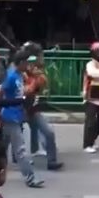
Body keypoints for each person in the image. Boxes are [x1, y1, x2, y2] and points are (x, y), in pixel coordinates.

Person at [0, 50, 44, 188]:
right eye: (27, 62)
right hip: (10, 117)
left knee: (1, 148)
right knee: (20, 149)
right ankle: (30, 178)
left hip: (16, 115)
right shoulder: (10, 77)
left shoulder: (20, 76)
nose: (28, 65)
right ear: (21, 62)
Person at [22, 43, 63, 171]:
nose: (42, 57)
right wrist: (33, 80)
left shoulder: (37, 71)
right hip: (18, 109)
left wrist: (38, 78)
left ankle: (51, 161)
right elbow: (24, 90)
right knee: (11, 137)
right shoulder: (19, 72)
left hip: (33, 109)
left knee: (48, 132)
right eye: (40, 55)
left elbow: (43, 84)